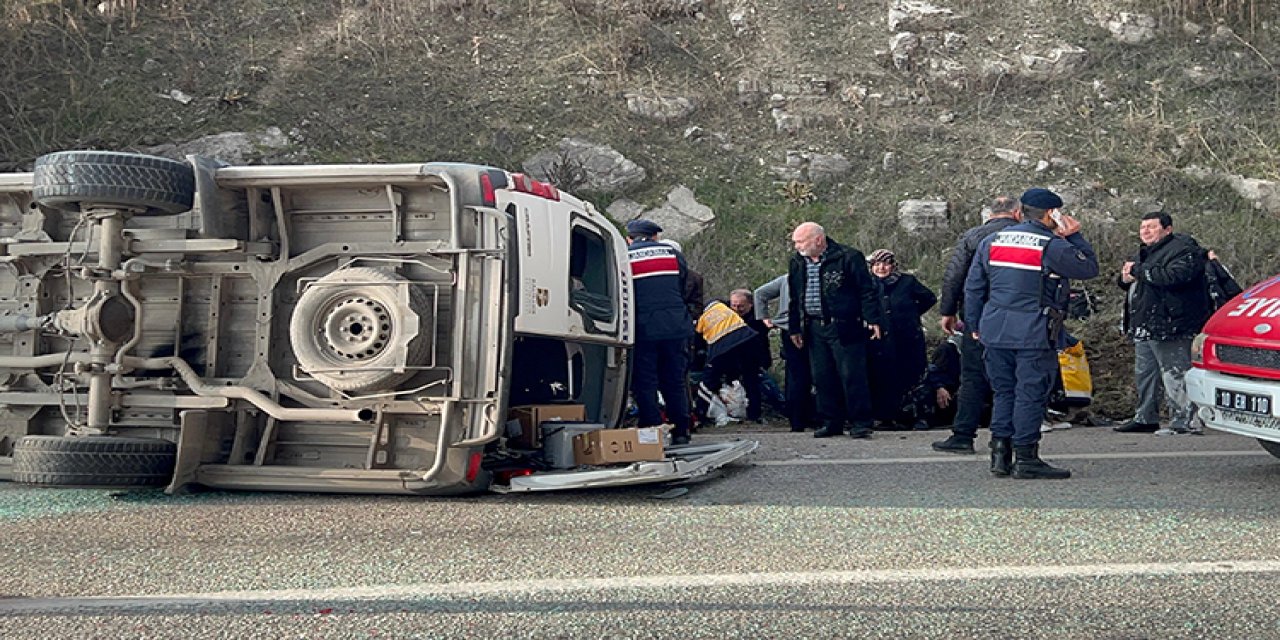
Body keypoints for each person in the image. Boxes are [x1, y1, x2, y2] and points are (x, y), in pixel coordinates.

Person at [964, 188, 1099, 479]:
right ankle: (1026, 457)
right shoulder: (1051, 245)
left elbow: (974, 287)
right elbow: (1088, 267)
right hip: (1033, 332)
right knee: (1030, 393)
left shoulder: (992, 240)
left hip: (995, 329)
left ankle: (999, 455)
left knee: (1004, 392)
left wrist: (974, 325)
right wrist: (1074, 235)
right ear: (1051, 214)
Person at [932, 196, 1023, 454]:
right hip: (1018, 317)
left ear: (990, 214)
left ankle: (963, 435)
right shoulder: (1025, 235)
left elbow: (954, 275)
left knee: (973, 376)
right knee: (1015, 378)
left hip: (978, 315)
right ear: (1016, 213)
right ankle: (1010, 436)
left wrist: (948, 310)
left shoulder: (973, 236)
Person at [1113, 210, 1212, 435]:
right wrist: (1125, 278)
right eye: (1142, 227)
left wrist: (1138, 271)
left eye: (1151, 226)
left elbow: (1173, 277)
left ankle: (1184, 420)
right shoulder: (1145, 252)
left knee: (1175, 371)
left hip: (1171, 323)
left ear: (1167, 229)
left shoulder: (1184, 249)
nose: (1145, 231)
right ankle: (1145, 416)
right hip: (1144, 323)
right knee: (1145, 372)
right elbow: (1133, 280)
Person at [786, 222, 884, 439]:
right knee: (822, 376)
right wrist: (795, 327)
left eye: (801, 241)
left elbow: (866, 290)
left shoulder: (848, 257)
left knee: (852, 375)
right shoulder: (797, 262)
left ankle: (860, 422)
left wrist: (872, 318)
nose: (797, 246)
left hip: (844, 324)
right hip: (814, 325)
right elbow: (795, 297)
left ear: (818, 240)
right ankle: (831, 421)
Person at [626, 219, 695, 445]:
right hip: (676, 327)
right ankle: (681, 430)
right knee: (674, 381)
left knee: (645, 382)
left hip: (643, 328)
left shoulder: (625, 255)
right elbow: (685, 285)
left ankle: (652, 431)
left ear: (630, 238)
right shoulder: (671, 253)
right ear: (655, 236)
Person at [864, 249, 937, 429]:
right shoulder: (867, 285)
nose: (881, 268)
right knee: (884, 376)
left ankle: (918, 416)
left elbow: (929, 298)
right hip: (880, 340)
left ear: (893, 265)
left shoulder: (907, 282)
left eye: (886, 263)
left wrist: (912, 315)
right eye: (877, 264)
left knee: (914, 375)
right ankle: (886, 417)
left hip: (908, 337)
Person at [755, 274, 819, 432]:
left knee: (795, 375)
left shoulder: (786, 278)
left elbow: (760, 293)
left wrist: (764, 317)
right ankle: (812, 417)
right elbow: (759, 294)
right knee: (811, 374)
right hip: (810, 328)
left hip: (788, 328)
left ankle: (797, 420)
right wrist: (764, 318)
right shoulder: (816, 277)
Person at [695, 298, 764, 423]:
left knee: (707, 381)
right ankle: (754, 414)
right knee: (751, 378)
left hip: (723, 345)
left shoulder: (699, 320)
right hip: (749, 338)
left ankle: (699, 415)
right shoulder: (720, 305)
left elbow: (698, 344)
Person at [729, 289, 785, 416]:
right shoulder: (728, 317)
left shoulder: (758, 320)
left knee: (755, 385)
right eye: (734, 305)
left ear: (750, 304)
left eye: (741, 306)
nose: (737, 309)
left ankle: (759, 412)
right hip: (734, 358)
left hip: (754, 358)